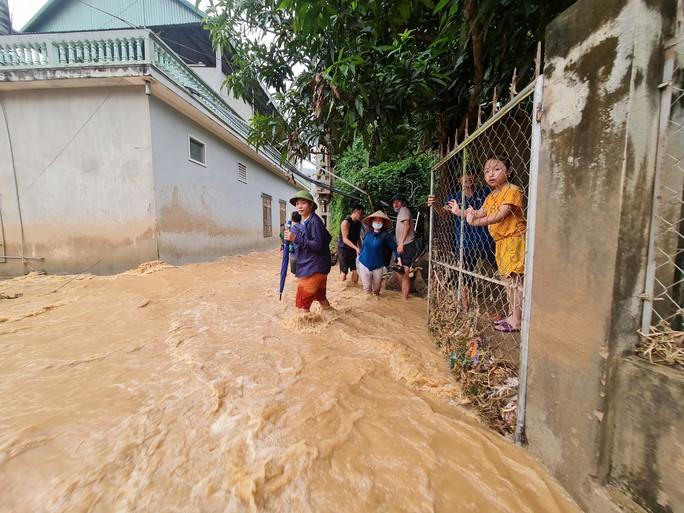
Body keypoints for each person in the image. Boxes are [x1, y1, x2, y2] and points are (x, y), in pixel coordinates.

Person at [465, 157, 526, 332]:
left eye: (497, 169)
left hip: (513, 239)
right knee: (507, 280)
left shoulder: (512, 190)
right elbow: (481, 212)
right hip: (500, 242)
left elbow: (500, 215)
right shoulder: (492, 195)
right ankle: (512, 316)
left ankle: (517, 321)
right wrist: (470, 213)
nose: (490, 174)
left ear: (509, 171)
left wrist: (475, 221)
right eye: (486, 171)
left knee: (515, 280)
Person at [427, 169, 495, 307]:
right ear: (459, 180)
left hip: (487, 240)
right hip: (465, 243)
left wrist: (461, 212)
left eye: (471, 174)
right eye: (464, 176)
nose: (468, 178)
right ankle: (464, 306)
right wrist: (435, 205)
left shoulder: (485, 192)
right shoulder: (455, 197)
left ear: (475, 177)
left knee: (502, 271)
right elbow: (443, 212)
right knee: (465, 276)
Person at [284, 190, 333, 312]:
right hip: (320, 267)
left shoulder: (314, 222)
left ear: (311, 205)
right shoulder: (308, 221)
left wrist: (295, 238)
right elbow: (328, 238)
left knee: (301, 306)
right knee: (321, 299)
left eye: (303, 203)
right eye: (297, 203)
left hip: (313, 269)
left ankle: (304, 330)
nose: (299, 206)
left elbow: (318, 246)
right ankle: (334, 319)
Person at [357, 211, 397, 295]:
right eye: (375, 220)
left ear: (383, 223)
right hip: (364, 264)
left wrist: (399, 259)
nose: (377, 222)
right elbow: (363, 246)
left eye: (380, 220)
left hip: (378, 266)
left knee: (376, 291)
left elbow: (394, 247)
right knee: (367, 290)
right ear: (372, 222)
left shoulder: (385, 235)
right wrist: (358, 251)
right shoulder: (367, 233)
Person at [391, 194, 418, 300]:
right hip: (402, 245)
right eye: (394, 202)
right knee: (399, 270)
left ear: (403, 203)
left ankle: (405, 299)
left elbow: (406, 226)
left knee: (405, 271)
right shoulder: (401, 213)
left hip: (406, 245)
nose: (395, 204)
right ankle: (404, 295)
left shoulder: (404, 210)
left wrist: (401, 243)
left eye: (398, 202)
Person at [338, 205, 364, 284]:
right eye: (360, 214)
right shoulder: (346, 222)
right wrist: (356, 248)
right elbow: (345, 239)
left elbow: (358, 237)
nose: (362, 216)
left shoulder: (359, 223)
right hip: (343, 249)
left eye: (363, 214)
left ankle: (354, 291)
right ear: (354, 212)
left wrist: (360, 248)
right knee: (344, 272)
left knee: (355, 270)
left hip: (353, 249)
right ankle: (341, 290)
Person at [289, 211, 302, 275]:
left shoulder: (291, 229)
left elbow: (287, 242)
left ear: (292, 219)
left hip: (294, 256)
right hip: (304, 257)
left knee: (296, 275)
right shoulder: (305, 228)